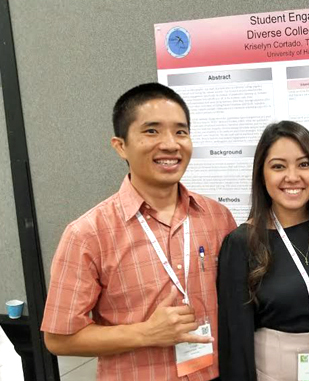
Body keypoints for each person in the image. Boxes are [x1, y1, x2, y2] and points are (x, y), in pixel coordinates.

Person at [41, 83, 236, 381]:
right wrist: (146, 333)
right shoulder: (87, 234)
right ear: (120, 145)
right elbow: (58, 339)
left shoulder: (216, 217)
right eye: (152, 131)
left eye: (181, 132)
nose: (171, 144)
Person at [218, 121, 309, 381]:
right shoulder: (241, 242)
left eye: (304, 164)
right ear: (262, 174)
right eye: (278, 166)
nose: (292, 176)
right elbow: (235, 341)